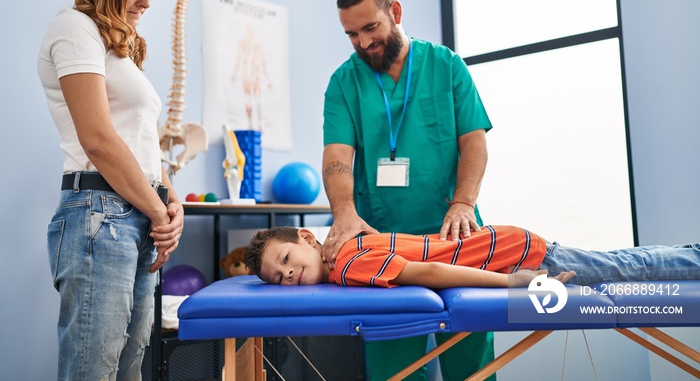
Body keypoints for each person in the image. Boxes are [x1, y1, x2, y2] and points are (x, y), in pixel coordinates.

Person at [321, 0, 493, 380]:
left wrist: (463, 201)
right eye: (351, 34)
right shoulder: (344, 83)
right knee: (395, 368)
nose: (363, 43)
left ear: (395, 12)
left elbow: (474, 143)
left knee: (472, 364)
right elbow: (337, 156)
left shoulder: (446, 66)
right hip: (383, 242)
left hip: (455, 233)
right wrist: (343, 210)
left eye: (370, 28)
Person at [37, 0, 183, 380]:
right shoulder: (73, 28)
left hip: (136, 214)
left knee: (130, 369)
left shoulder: (121, 49)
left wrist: (170, 199)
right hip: (100, 216)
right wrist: (159, 214)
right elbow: (98, 139)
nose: (145, 0)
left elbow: (140, 141)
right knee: (94, 371)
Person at [244, 226, 700, 288]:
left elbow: (430, 270)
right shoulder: (346, 244)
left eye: (285, 258)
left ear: (305, 237)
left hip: (513, 257)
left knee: (625, 269)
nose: (288, 272)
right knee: (624, 260)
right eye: (279, 277)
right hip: (507, 243)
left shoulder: (347, 265)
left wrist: (515, 283)